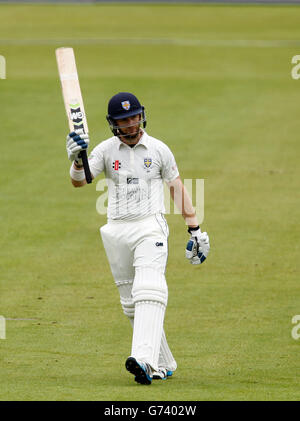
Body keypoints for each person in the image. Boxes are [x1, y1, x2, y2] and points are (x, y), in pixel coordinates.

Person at [66, 92, 210, 385]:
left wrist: (194, 228)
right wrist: (76, 161)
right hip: (117, 230)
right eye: (124, 120)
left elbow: (176, 187)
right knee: (131, 303)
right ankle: (163, 361)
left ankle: (143, 360)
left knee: (149, 287)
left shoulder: (158, 149)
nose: (131, 124)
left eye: (134, 117)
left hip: (150, 227)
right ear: (114, 123)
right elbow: (79, 181)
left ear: (141, 115)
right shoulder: (105, 150)